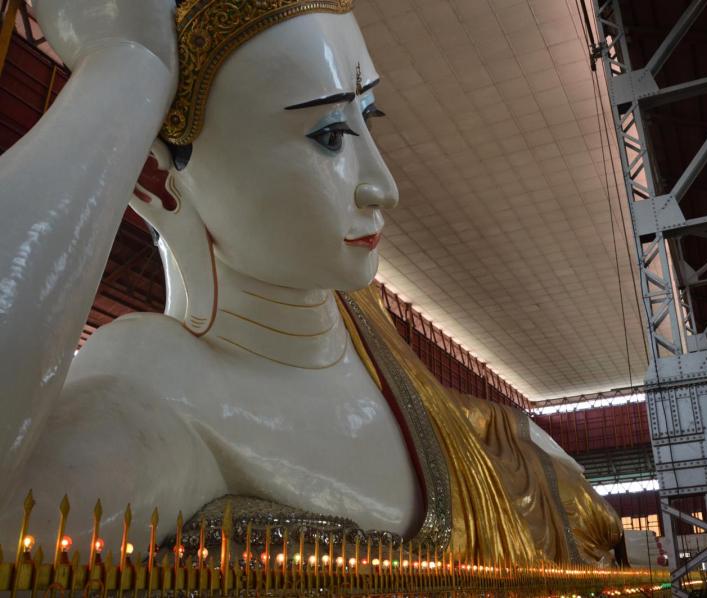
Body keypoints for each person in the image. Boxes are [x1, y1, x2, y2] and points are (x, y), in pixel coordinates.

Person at [0, 0, 623, 565]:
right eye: (328, 136)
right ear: (161, 175)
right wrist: (127, 70)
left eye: (368, 117)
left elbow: (482, 431)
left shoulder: (366, 324)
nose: (384, 187)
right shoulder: (158, 390)